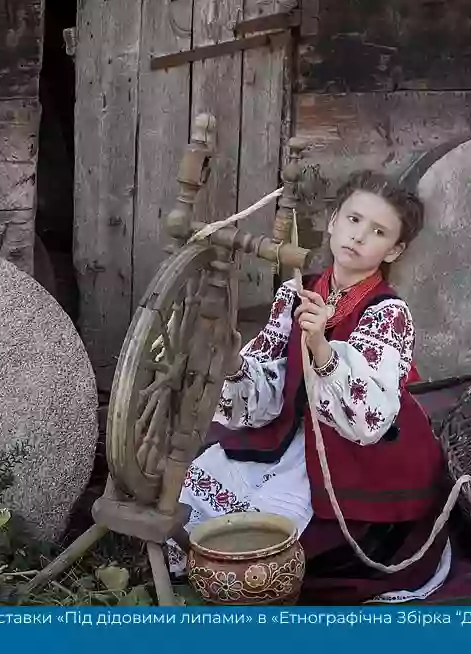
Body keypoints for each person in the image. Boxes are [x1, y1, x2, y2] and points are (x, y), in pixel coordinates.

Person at [165, 171, 452, 604]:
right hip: (290, 430)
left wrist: (321, 346)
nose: (359, 237)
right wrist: (231, 364)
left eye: (377, 232)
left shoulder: (389, 314)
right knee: (199, 490)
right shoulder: (295, 293)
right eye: (354, 220)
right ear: (334, 221)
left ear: (394, 249)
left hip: (355, 449)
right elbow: (266, 390)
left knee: (273, 535)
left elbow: (368, 421)